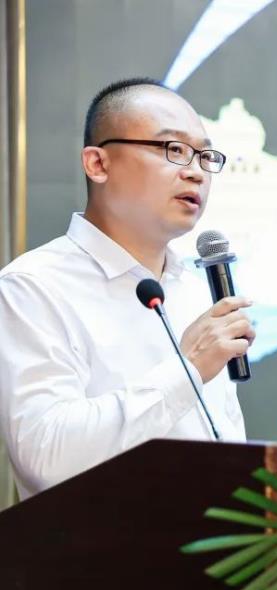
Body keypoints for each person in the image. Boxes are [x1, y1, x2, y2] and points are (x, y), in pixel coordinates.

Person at [0, 77, 255, 499]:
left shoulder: (194, 291)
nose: (195, 171)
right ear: (98, 164)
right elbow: (46, 457)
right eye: (173, 149)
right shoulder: (33, 287)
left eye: (205, 156)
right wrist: (188, 367)